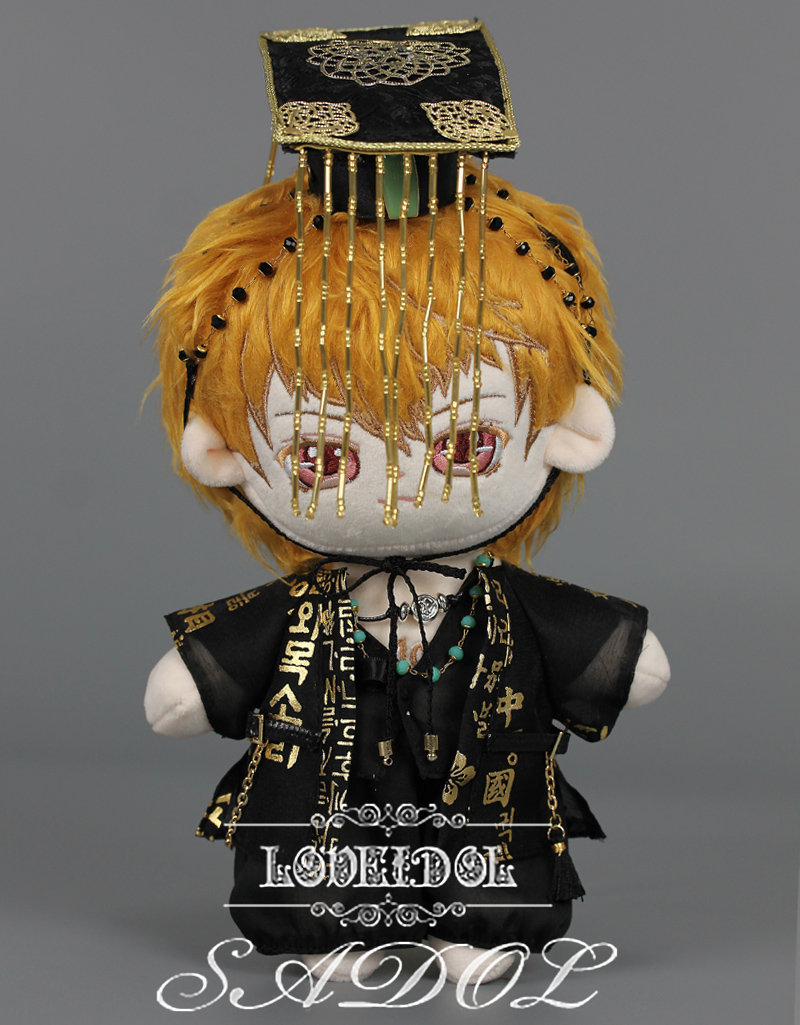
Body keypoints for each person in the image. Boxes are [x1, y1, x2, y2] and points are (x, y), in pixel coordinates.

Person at [145, 21, 670, 983]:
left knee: (492, 845)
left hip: (486, 824)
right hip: (328, 831)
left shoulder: (509, 610)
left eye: (464, 443)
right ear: (220, 453)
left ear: (573, 430)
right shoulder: (302, 615)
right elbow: (187, 693)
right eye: (321, 457)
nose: (393, 502)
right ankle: (333, 928)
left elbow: (627, 664)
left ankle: (479, 927)